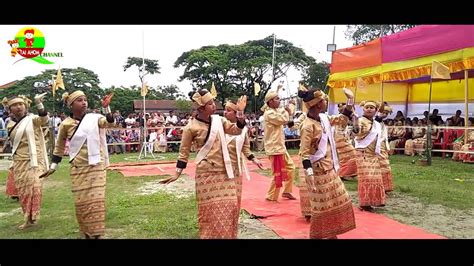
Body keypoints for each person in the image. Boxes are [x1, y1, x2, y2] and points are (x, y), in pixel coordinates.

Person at [160, 89, 246, 239]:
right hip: (206, 175)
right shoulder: (190, 127)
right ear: (201, 108)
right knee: (211, 213)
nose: (214, 105)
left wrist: (239, 114)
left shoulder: (220, 121)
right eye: (210, 103)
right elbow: (184, 152)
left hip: (225, 172)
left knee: (230, 207)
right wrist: (177, 173)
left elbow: (236, 130)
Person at [40, 90, 115, 239]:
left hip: (96, 166)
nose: (84, 102)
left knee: (96, 201)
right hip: (78, 168)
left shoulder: (95, 118)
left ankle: (97, 233)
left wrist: (106, 109)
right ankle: (86, 232)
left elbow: (109, 123)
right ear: (71, 105)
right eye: (79, 100)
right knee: (82, 203)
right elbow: (59, 146)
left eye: (85, 99)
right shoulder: (65, 124)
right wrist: (53, 166)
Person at [298, 87, 356, 239]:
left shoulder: (324, 118)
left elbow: (342, 120)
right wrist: (309, 173)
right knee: (322, 208)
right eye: (323, 100)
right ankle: (320, 235)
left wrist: (350, 101)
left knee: (339, 200)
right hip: (317, 173)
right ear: (317, 104)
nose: (326, 102)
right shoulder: (307, 126)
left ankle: (331, 234)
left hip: (329, 169)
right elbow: (303, 153)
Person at [5, 93, 49, 229]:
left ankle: (33, 216)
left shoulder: (33, 119)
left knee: (35, 187)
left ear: (25, 106)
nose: (18, 107)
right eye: (14, 105)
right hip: (19, 161)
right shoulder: (10, 125)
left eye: (20, 104)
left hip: (34, 160)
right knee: (24, 191)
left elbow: (44, 119)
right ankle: (27, 218)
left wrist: (39, 103)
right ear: (9, 109)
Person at [223, 99, 263, 210]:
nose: (225, 113)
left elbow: (245, 148)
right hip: (222, 167)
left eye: (228, 110)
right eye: (225, 110)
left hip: (236, 167)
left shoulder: (243, 130)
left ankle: (234, 219)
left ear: (236, 114)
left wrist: (254, 159)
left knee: (235, 195)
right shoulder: (220, 127)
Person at [262, 85, 297, 201]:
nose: (279, 101)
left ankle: (287, 191)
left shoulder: (276, 111)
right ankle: (271, 195)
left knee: (291, 167)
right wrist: (289, 108)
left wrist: (291, 106)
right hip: (274, 148)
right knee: (277, 172)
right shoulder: (269, 113)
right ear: (270, 101)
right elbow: (284, 119)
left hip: (280, 147)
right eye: (277, 99)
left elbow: (286, 114)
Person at [353, 100, 386, 211]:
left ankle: (376, 200)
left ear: (375, 110)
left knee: (375, 177)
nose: (369, 109)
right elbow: (356, 132)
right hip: (362, 152)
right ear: (363, 109)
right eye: (367, 107)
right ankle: (365, 203)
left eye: (372, 107)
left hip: (373, 154)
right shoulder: (361, 120)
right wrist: (355, 121)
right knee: (366, 178)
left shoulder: (376, 123)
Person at [334, 103, 358, 180]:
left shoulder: (346, 117)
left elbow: (354, 127)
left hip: (344, 138)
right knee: (351, 155)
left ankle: (349, 173)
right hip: (340, 138)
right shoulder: (339, 117)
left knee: (348, 157)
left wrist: (354, 115)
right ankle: (344, 174)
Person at [375, 102, 394, 193]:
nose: (385, 115)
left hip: (382, 146)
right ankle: (380, 185)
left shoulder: (382, 122)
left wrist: (387, 147)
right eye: (384, 112)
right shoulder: (376, 120)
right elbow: (377, 118)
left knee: (384, 166)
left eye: (387, 113)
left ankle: (384, 186)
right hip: (376, 146)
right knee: (382, 166)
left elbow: (385, 137)